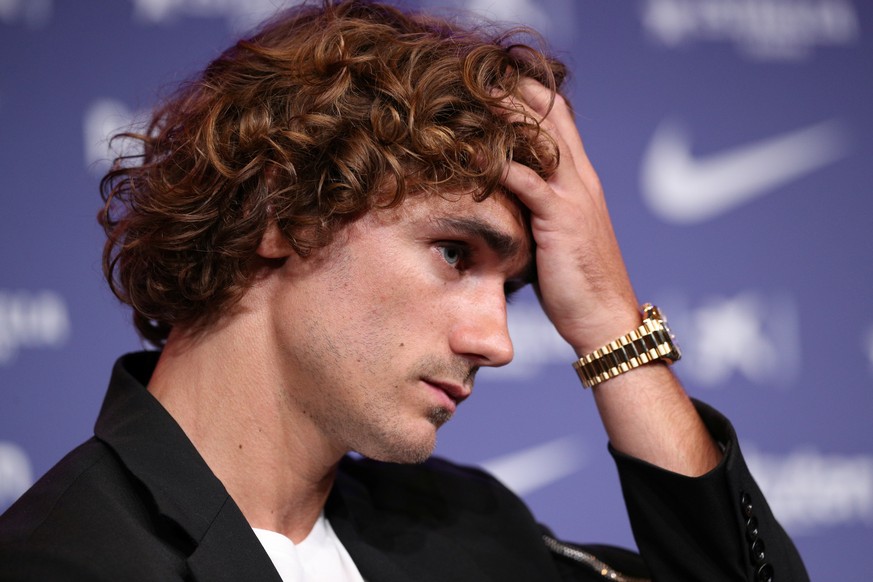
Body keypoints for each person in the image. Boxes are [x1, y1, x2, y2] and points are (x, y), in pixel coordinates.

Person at [0, 1, 808, 580]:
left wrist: (606, 322)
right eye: (455, 253)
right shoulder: (65, 557)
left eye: (513, 286)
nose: (495, 342)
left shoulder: (465, 527)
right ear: (279, 212)